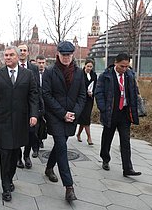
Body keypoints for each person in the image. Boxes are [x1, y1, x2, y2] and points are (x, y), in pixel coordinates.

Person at [0, 46, 38, 202]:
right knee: (4, 154)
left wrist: (34, 114)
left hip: (21, 121)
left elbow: (33, 95)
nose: (8, 57)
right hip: (3, 121)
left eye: (11, 55)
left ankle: (10, 178)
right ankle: (5, 186)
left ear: (17, 56)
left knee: (15, 153)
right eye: (5, 55)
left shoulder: (28, 74)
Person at [42, 41, 86, 202]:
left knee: (60, 145)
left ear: (72, 55)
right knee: (62, 146)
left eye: (69, 55)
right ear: (58, 55)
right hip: (55, 116)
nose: (66, 58)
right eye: (63, 55)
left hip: (71, 117)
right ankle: (69, 187)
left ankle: (48, 168)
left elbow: (82, 95)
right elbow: (46, 95)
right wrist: (62, 114)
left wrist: (74, 112)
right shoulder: (49, 72)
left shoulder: (79, 73)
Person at [95, 53, 141, 177]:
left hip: (125, 113)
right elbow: (98, 93)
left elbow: (134, 91)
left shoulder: (130, 75)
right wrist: (103, 109)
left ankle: (128, 168)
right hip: (111, 112)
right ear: (116, 63)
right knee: (107, 138)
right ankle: (105, 159)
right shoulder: (106, 75)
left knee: (125, 141)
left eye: (127, 66)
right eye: (122, 66)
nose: (124, 69)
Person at [16, 43, 40, 169]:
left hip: (30, 107)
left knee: (31, 133)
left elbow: (36, 90)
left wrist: (37, 110)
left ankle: (27, 156)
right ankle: (18, 157)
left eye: (25, 50)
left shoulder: (34, 68)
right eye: (20, 50)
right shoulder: (12, 68)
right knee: (17, 133)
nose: (22, 52)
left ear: (28, 52)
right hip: (17, 108)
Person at [76, 59, 97, 145]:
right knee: (85, 118)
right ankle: (89, 137)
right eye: (88, 66)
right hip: (81, 99)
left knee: (85, 118)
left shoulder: (94, 75)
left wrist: (93, 93)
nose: (89, 68)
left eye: (91, 67)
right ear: (84, 66)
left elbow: (96, 86)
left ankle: (79, 134)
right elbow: (77, 87)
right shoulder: (80, 74)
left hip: (89, 99)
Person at [34, 55, 47, 154]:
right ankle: (36, 146)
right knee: (37, 125)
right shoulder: (33, 73)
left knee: (44, 124)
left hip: (46, 101)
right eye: (39, 63)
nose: (41, 65)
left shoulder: (48, 73)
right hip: (37, 102)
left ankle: (41, 139)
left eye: (43, 63)